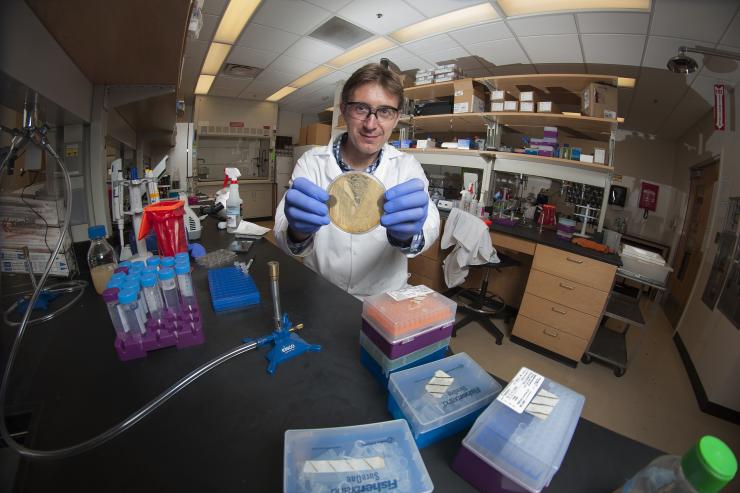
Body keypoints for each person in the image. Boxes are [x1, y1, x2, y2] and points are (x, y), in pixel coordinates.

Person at [274, 63, 440, 298]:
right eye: (361, 109)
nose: (371, 124)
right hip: (321, 292)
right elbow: (283, 232)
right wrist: (297, 232)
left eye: (384, 111)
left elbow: (430, 224)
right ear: (344, 110)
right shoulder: (312, 162)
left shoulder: (406, 166)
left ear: (396, 118)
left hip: (384, 297)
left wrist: (409, 235)